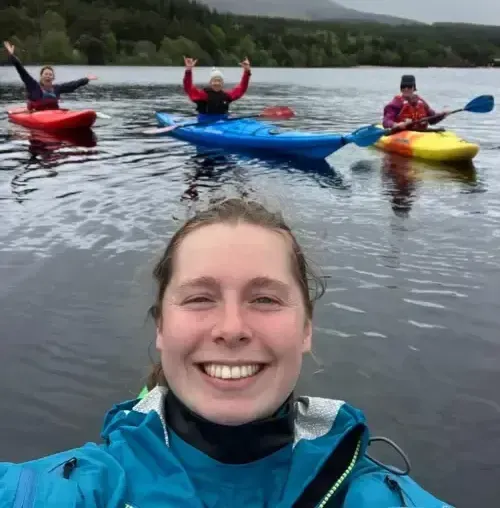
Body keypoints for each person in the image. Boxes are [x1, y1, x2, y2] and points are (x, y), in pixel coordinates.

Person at [0, 198, 453, 507]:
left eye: (265, 299)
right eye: (199, 298)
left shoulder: (370, 496)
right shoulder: (72, 489)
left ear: (306, 328)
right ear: (161, 327)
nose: (232, 329)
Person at [3, 40, 97, 112]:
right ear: (41, 76)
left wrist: (86, 79)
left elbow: (73, 84)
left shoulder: (57, 88)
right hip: (36, 114)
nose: (48, 76)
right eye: (46, 74)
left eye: (50, 74)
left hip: (54, 114)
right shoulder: (33, 86)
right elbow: (22, 72)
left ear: (53, 77)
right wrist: (12, 56)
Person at [183, 55, 251, 122]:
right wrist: (188, 71)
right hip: (204, 121)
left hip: (223, 121)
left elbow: (241, 88)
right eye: (214, 81)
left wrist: (247, 71)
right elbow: (188, 88)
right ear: (210, 83)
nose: (217, 83)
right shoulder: (203, 95)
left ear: (222, 83)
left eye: (219, 81)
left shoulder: (227, 96)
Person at [383, 74, 447, 131]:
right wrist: (395, 124)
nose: (406, 89)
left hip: (420, 133)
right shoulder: (396, 102)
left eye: (409, 87)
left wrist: (442, 115)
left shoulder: (421, 102)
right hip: (401, 134)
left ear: (414, 88)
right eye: (403, 87)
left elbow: (432, 120)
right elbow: (386, 121)